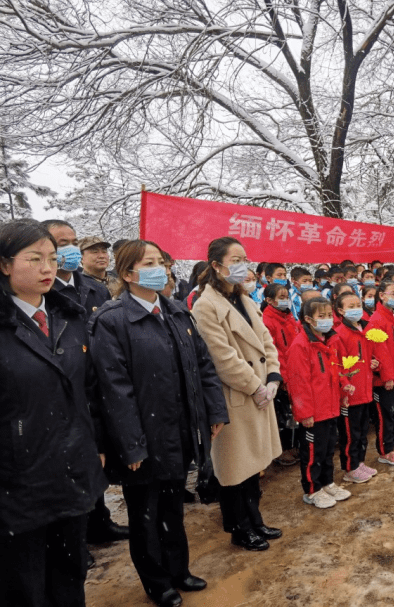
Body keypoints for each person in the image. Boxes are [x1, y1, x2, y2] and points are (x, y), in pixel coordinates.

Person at [88, 240, 229, 607]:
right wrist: (132, 444)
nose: (160, 268)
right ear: (127, 274)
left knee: (172, 508)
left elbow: (203, 367)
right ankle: (157, 581)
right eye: (149, 263)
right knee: (145, 514)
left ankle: (178, 569)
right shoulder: (112, 320)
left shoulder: (177, 312)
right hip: (143, 437)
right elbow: (114, 390)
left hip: (179, 430)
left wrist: (213, 411)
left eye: (162, 262)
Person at [0, 219, 107, 607]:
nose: (48, 267)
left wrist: (95, 442)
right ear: (5, 264)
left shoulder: (70, 318)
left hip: (71, 472)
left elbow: (90, 391)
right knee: (26, 587)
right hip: (18, 483)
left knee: (70, 575)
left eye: (51, 258)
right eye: (34, 258)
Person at [191, 237, 283, 552]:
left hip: (259, 392)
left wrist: (272, 376)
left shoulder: (244, 298)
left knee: (253, 466)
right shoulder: (205, 305)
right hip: (235, 397)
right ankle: (238, 528)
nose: (242, 265)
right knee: (234, 469)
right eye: (235, 259)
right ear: (216, 266)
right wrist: (255, 386)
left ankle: (255, 519)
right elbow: (222, 357)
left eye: (245, 258)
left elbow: (265, 340)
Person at [41, 220, 126, 550]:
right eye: (63, 243)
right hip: (67, 386)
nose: (71, 249)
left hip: (97, 381)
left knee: (97, 458)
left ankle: (99, 522)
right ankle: (71, 539)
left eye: (74, 241)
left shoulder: (94, 288)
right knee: (69, 466)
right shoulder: (46, 292)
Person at [284, 296, 354, 509]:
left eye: (329, 315)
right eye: (321, 316)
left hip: (331, 406)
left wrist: (344, 388)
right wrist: (305, 413)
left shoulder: (329, 340)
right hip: (313, 411)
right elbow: (298, 382)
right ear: (308, 319)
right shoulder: (301, 346)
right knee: (313, 452)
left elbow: (335, 369)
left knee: (327, 448)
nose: (327, 320)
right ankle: (312, 490)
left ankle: (327, 482)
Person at [333, 292, 379, 484]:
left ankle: (359, 462)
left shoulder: (364, 330)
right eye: (350, 306)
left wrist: (374, 362)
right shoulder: (339, 335)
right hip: (350, 392)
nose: (356, 309)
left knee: (361, 431)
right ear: (341, 311)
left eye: (357, 305)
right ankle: (350, 467)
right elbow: (338, 365)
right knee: (351, 434)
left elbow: (369, 356)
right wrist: (346, 386)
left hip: (365, 389)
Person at [365, 281, 394, 465]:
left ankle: (392, 445)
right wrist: (386, 376)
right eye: (392, 293)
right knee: (385, 415)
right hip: (385, 379)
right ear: (381, 295)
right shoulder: (377, 320)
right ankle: (385, 450)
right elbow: (379, 352)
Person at [260, 283, 301, 466]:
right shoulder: (267, 321)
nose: (286, 300)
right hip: (283, 375)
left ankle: (293, 445)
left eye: (287, 296)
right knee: (283, 415)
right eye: (281, 297)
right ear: (269, 300)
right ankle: (282, 450)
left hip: (295, 372)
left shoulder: (289, 317)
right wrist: (281, 376)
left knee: (293, 413)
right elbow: (275, 352)